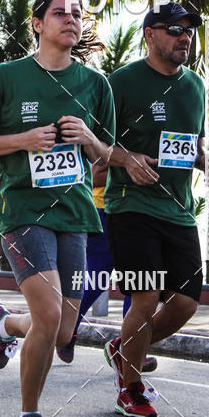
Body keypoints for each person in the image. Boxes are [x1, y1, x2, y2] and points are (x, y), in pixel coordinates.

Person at [0, 0, 116, 417]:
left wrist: (88, 138)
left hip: (75, 214)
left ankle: (4, 323)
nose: (70, 20)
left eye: (77, 14)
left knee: (63, 330)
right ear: (37, 23)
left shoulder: (96, 85)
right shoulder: (8, 77)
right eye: (59, 13)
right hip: (23, 212)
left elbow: (107, 156)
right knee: (48, 316)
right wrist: (22, 140)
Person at [103, 1, 205, 417]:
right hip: (130, 205)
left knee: (186, 303)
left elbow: (192, 143)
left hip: (179, 210)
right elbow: (94, 144)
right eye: (174, 29)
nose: (184, 37)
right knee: (145, 296)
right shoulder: (120, 82)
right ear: (149, 35)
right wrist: (126, 158)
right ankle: (130, 388)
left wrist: (206, 160)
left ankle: (122, 349)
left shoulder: (195, 86)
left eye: (188, 31)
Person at [56, 161, 157, 377]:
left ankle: (129, 348)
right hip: (104, 210)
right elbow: (94, 175)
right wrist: (133, 172)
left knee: (137, 282)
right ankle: (67, 329)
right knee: (99, 278)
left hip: (140, 212)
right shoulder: (116, 141)